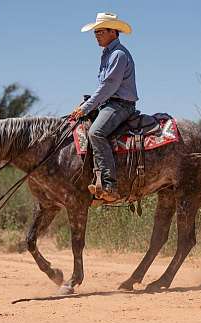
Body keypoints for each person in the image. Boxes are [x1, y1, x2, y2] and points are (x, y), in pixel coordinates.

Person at [70, 12, 138, 202]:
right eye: (96, 32)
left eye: (100, 31)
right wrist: (88, 104)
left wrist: (86, 107)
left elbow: (109, 86)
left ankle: (109, 185)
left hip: (120, 105)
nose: (96, 35)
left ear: (113, 32)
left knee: (95, 133)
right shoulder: (108, 54)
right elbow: (104, 88)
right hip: (109, 103)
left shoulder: (118, 54)